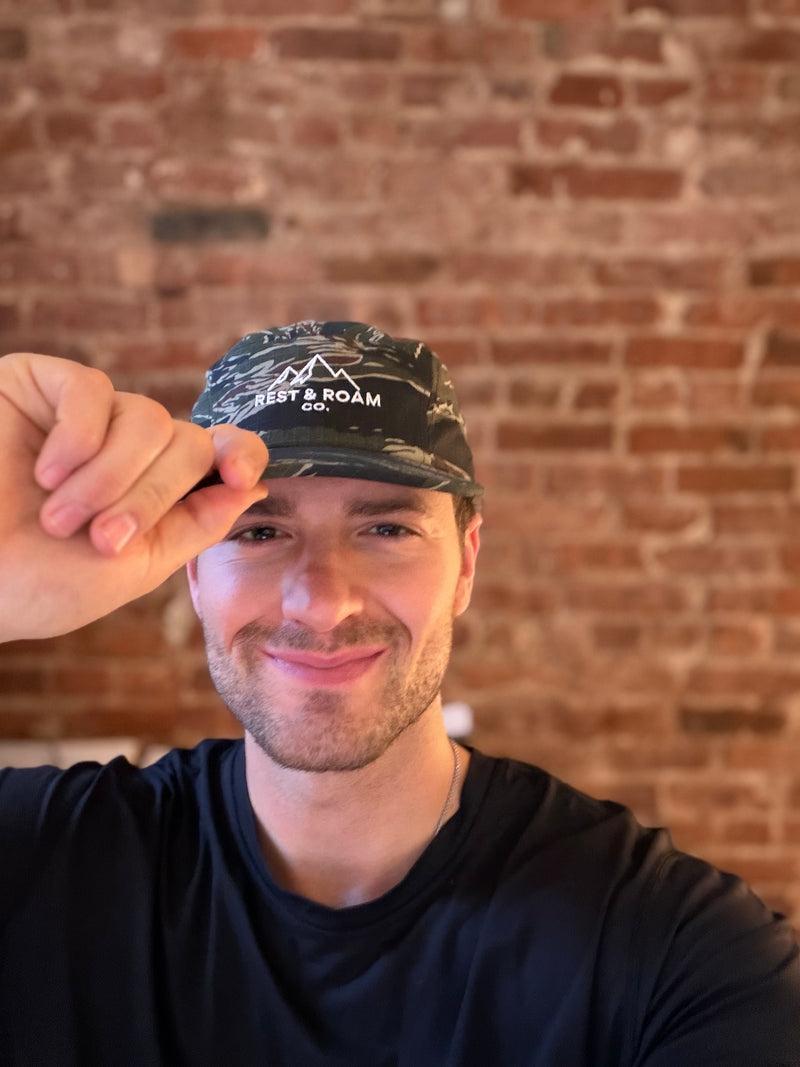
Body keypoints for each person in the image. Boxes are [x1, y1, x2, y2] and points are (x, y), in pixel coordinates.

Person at [0, 320, 798, 1066]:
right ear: (193, 572)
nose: (321, 600)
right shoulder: (40, 870)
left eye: (387, 529)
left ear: (467, 562)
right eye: (259, 531)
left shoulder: (670, 954)